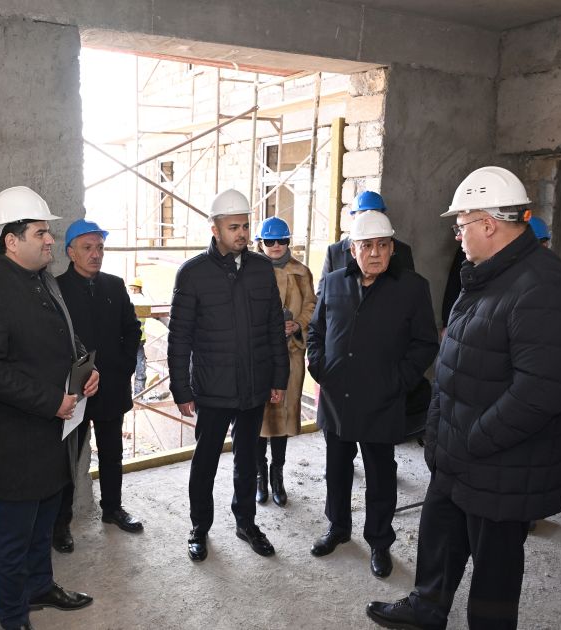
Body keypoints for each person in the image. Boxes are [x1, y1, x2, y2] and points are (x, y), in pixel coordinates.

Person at [367, 166, 561, 630]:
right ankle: (427, 608)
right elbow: (460, 360)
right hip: (460, 451)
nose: (458, 235)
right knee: (440, 535)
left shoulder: (544, 287)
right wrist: (441, 432)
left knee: (494, 567)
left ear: (489, 224)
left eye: (461, 225)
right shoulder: (490, 275)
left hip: (500, 461)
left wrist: (475, 438)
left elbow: (540, 392)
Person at [0, 186, 98, 630]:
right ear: (11, 240)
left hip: (52, 434)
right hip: (15, 442)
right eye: (40, 233)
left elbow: (67, 336)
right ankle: (11, 613)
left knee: (43, 523)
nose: (50, 240)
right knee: (14, 534)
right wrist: (51, 400)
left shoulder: (44, 281)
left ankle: (40, 586)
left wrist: (86, 367)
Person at [307, 211, 438, 579]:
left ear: (392, 248)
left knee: (381, 474)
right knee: (337, 468)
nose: (375, 253)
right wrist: (320, 368)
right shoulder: (333, 283)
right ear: (353, 250)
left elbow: (425, 344)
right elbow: (316, 332)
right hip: (338, 398)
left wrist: (398, 381)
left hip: (383, 401)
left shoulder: (412, 287)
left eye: (383, 245)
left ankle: (379, 541)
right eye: (367, 246)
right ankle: (337, 528)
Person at [168, 188, 289, 562]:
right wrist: (181, 388)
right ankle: (199, 527)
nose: (242, 233)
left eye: (245, 226)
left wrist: (279, 378)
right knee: (205, 462)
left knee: (247, 460)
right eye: (233, 227)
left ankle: (246, 523)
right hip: (212, 388)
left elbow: (274, 326)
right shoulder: (193, 274)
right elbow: (179, 337)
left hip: (253, 385)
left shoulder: (261, 269)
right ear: (214, 228)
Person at [52, 219, 144, 553]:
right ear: (71, 252)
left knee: (112, 452)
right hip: (74, 391)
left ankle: (112, 509)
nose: (96, 254)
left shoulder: (114, 286)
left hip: (111, 386)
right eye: (88, 248)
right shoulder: (56, 290)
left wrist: (123, 366)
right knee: (66, 459)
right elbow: (50, 340)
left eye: (100, 248)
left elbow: (132, 330)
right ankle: (60, 524)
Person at [253, 216, 317, 507]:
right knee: (257, 418)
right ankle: (259, 476)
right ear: (260, 243)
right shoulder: (249, 271)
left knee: (284, 417)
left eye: (282, 240)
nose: (276, 246)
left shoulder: (301, 272)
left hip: (290, 354)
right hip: (258, 355)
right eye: (270, 241)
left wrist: (298, 324)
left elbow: (311, 304)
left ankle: (276, 475)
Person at [321, 191, 415, 276]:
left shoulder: (402, 250)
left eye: (374, 214)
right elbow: (325, 288)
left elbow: (410, 284)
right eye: (363, 214)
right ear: (353, 218)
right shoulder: (334, 252)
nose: (368, 220)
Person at [128, 277, 151, 397]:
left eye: (135, 289)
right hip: (128, 341)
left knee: (140, 368)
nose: (133, 291)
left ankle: (138, 395)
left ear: (140, 289)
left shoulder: (141, 301)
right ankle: (132, 395)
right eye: (131, 289)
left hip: (139, 340)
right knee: (129, 368)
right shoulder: (129, 300)